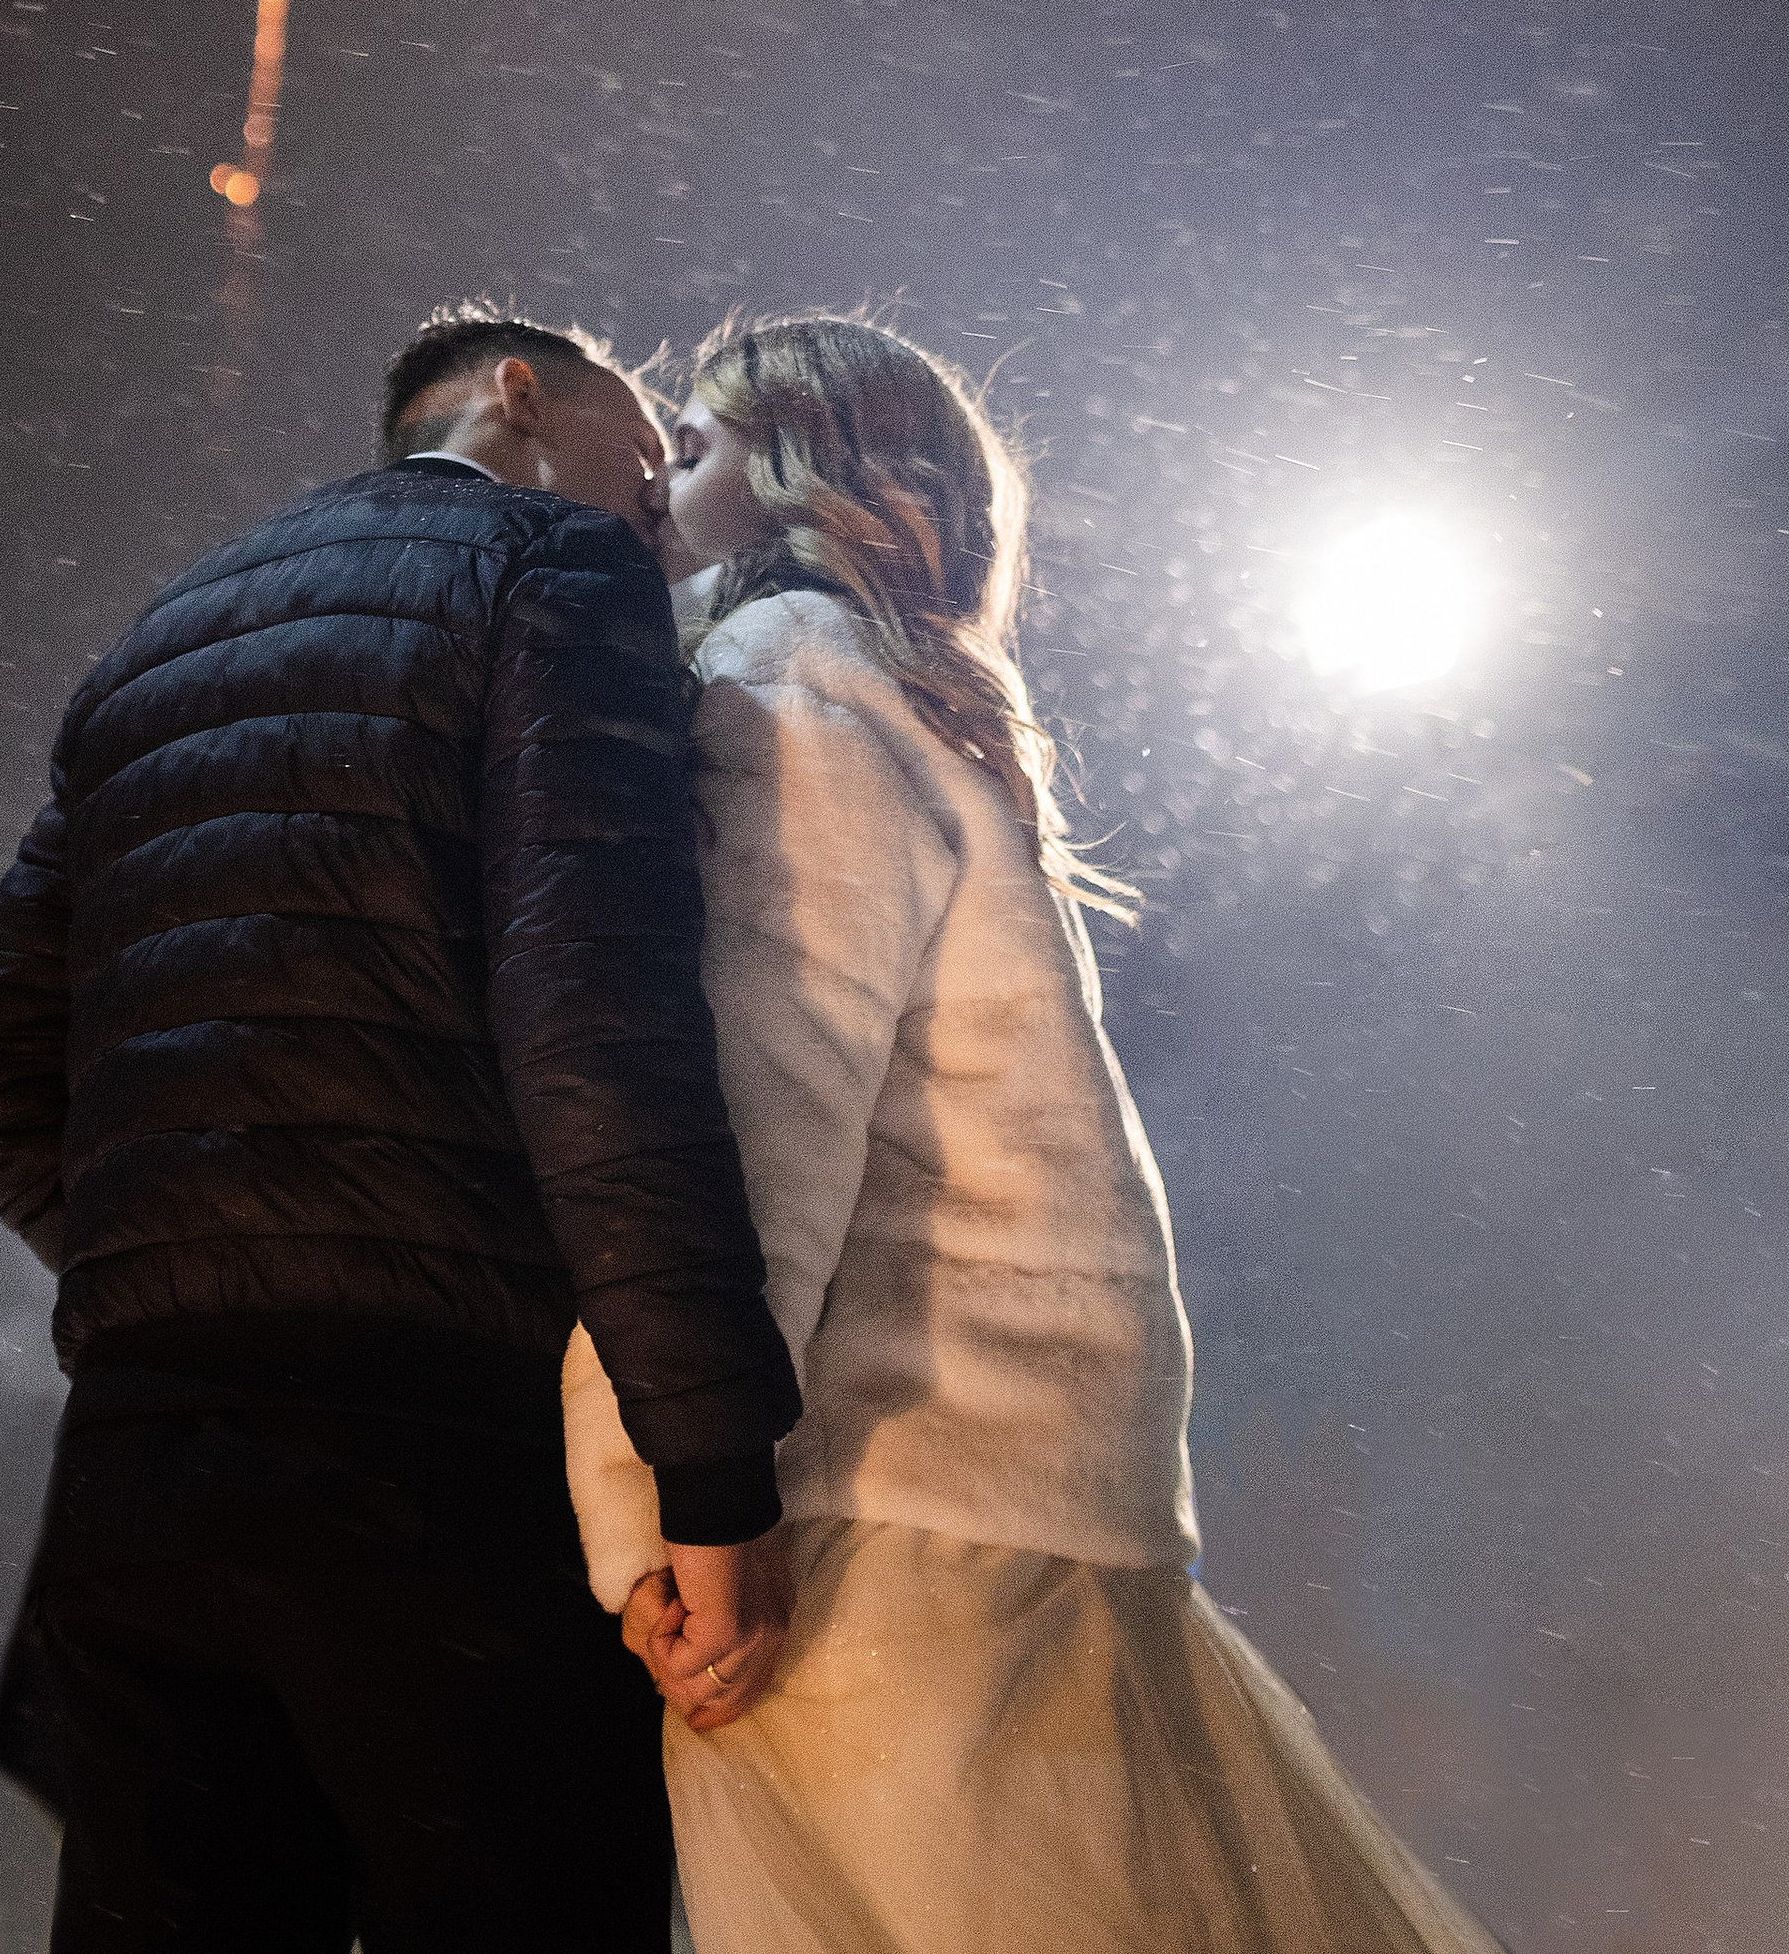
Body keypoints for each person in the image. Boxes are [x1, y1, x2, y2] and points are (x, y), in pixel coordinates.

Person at [566, 309, 1509, 1954]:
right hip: (1017, 1505)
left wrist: (659, 1500)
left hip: (883, 1526)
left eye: (698, 449)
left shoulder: (794, 705)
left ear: (803, 480)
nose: (658, 486)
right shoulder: (933, 717)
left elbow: (755, 1134)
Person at [0, 303, 800, 1954]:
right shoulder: (558, 569)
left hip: (139, 1471)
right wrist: (714, 1475)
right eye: (650, 434)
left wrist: (201, 1271)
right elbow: (598, 1037)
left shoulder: (160, 637)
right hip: (436, 1476)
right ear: (520, 395)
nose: (666, 484)